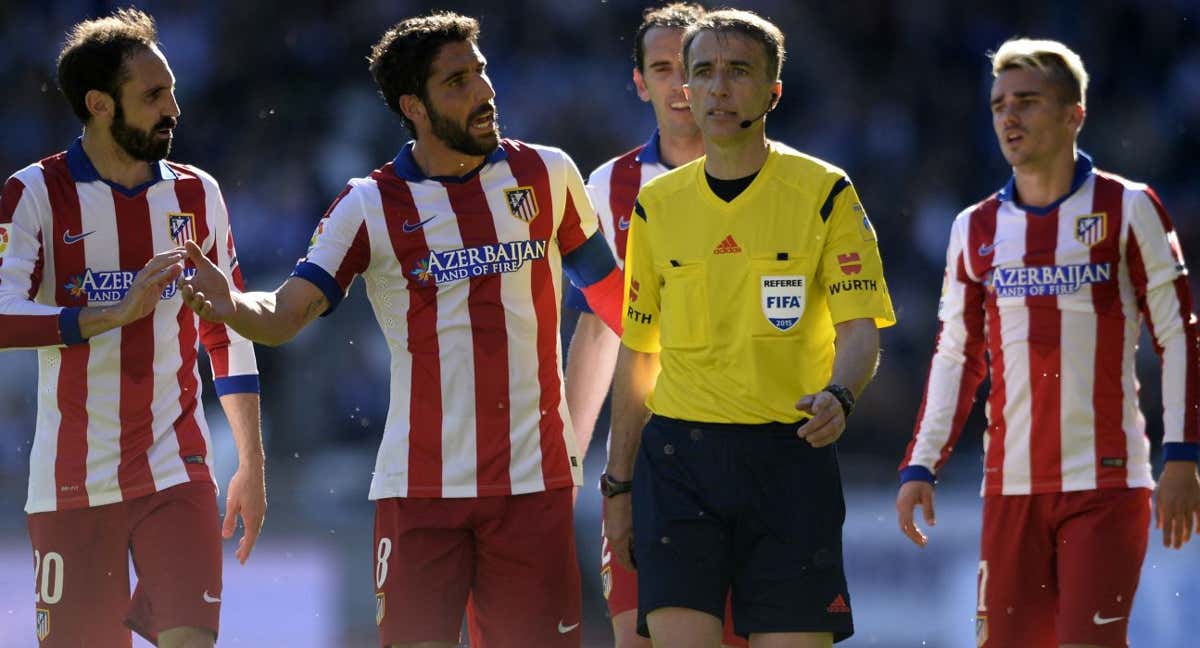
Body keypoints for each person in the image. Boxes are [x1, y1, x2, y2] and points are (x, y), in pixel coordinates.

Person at [178, 11, 623, 648]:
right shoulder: (369, 204)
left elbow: (614, 297)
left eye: (482, 71)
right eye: (457, 81)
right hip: (421, 490)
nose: (483, 91)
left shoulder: (547, 174)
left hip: (535, 483)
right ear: (413, 105)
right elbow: (284, 316)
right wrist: (228, 306)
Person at [603, 9, 895, 647]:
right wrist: (618, 485)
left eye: (738, 72)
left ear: (773, 92)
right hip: (679, 464)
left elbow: (860, 328)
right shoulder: (656, 206)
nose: (718, 88)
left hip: (790, 461)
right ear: (686, 89)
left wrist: (840, 396)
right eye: (703, 72)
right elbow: (638, 353)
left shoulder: (824, 192)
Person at [897, 37, 1200, 648]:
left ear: (1073, 114)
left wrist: (1184, 454)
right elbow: (957, 355)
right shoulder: (973, 228)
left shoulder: (1129, 207)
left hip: (1107, 482)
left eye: (1028, 101)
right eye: (999, 104)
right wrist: (921, 461)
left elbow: (1179, 334)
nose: (1009, 116)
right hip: (1009, 486)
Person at [0, 9, 266, 648]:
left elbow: (225, 328)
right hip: (70, 482)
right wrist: (107, 316)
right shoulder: (32, 193)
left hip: (177, 470)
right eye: (153, 96)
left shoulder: (197, 194)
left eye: (171, 90)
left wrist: (252, 464)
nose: (173, 108)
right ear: (98, 104)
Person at [562, 4, 745, 647]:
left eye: (689, 68)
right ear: (639, 81)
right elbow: (596, 330)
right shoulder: (609, 187)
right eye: (660, 68)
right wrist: (567, 466)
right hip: (645, 465)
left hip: (751, 456)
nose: (677, 85)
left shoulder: (781, 180)